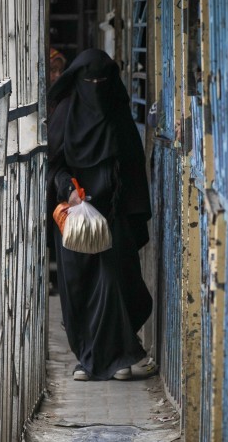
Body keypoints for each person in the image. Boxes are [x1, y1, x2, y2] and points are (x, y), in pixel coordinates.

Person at [46, 48, 153, 381]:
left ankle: (110, 359)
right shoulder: (66, 114)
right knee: (81, 289)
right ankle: (98, 358)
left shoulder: (117, 112)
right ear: (79, 81)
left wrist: (120, 204)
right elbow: (55, 166)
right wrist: (71, 191)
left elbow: (133, 165)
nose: (96, 87)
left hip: (113, 214)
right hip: (77, 218)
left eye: (102, 82)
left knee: (115, 282)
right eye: (90, 81)